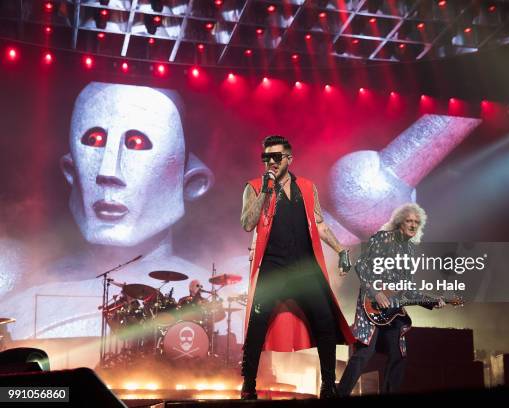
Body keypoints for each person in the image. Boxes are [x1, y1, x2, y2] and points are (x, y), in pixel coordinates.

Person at [0, 82, 215, 340]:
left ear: (192, 181)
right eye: (94, 140)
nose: (107, 172)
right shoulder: (21, 293)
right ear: (71, 170)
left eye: (137, 143)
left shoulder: (211, 298)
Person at [239, 135, 355, 399]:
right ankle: (248, 385)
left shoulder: (306, 187)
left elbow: (320, 224)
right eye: (266, 157)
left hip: (304, 269)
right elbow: (248, 222)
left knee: (325, 322)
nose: (270, 162)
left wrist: (340, 250)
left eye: (276, 157)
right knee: (257, 325)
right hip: (273, 266)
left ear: (289, 159)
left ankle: (328, 384)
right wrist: (267, 190)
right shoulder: (255, 187)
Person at [337, 203, 445, 396]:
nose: (413, 225)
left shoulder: (410, 251)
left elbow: (408, 290)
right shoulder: (383, 239)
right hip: (372, 304)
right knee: (364, 354)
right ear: (399, 223)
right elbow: (362, 265)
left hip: (393, 311)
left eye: (416, 222)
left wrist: (432, 301)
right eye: (409, 221)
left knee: (399, 354)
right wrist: (375, 291)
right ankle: (339, 395)